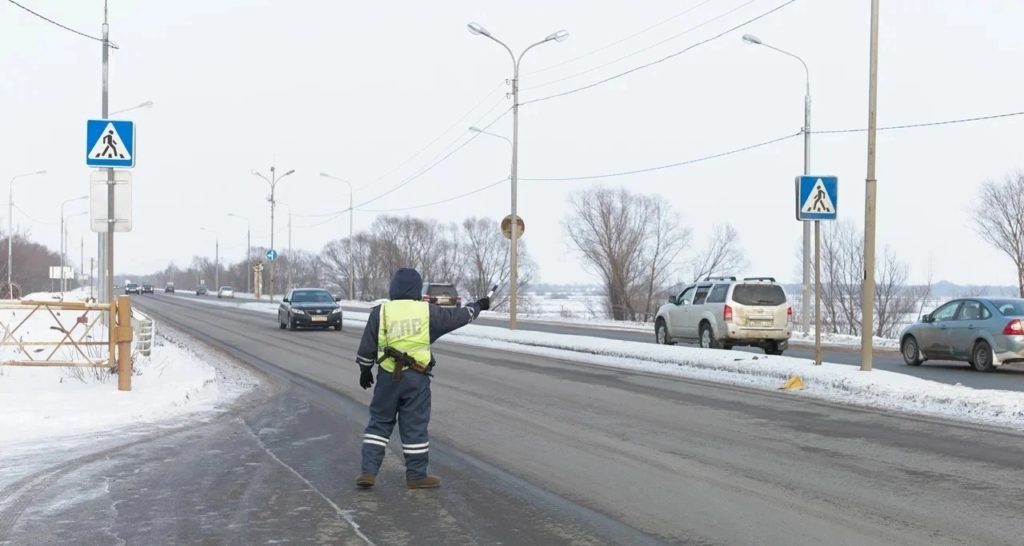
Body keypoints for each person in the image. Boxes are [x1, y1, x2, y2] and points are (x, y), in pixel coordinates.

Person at [354, 268, 490, 489]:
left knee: (379, 422)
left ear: (393, 288)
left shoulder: (381, 311)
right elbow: (458, 317)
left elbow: (368, 345)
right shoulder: (428, 312)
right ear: (417, 288)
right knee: (414, 425)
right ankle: (416, 476)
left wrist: (365, 369)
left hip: (387, 377)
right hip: (416, 378)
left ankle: (368, 472)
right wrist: (478, 306)